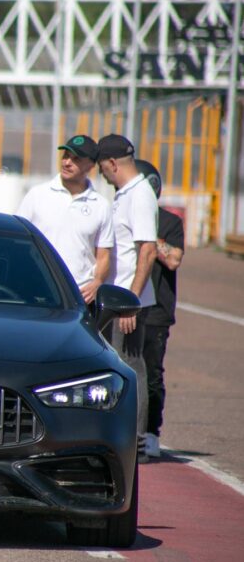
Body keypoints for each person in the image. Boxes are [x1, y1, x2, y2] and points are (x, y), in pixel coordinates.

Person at [97, 134, 158, 460]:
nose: (102, 175)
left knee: (132, 369)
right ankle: (123, 439)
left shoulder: (140, 195)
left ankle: (137, 446)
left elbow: (147, 249)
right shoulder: (125, 195)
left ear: (111, 163)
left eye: (102, 168)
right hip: (119, 298)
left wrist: (131, 301)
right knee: (119, 367)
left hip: (128, 302)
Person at [16, 134, 114, 304]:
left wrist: (97, 282)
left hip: (79, 296)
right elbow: (19, 240)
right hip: (37, 289)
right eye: (66, 156)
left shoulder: (101, 205)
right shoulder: (37, 195)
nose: (67, 162)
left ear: (91, 165)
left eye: (75, 159)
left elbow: (104, 256)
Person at [137, 161, 183, 459]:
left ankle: (152, 431)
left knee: (152, 373)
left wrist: (146, 233)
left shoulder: (169, 223)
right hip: (125, 305)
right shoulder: (120, 215)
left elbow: (173, 259)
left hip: (156, 311)